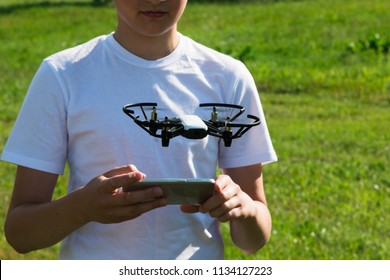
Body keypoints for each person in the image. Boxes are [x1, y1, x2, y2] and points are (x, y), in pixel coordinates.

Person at [1, 0, 277, 260]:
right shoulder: (62, 75)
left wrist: (245, 209)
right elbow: (20, 234)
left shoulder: (229, 76)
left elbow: (254, 238)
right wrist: (82, 207)